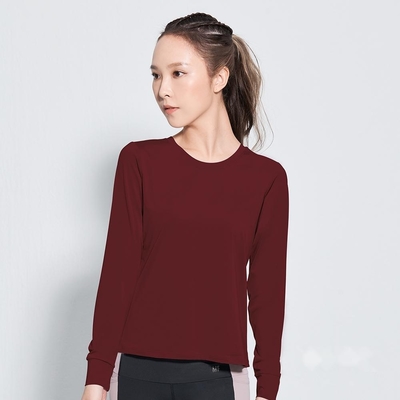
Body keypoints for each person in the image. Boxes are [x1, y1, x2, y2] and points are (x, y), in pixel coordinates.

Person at [80, 12, 289, 400]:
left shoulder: (266, 179)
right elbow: (117, 275)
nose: (163, 90)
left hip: (218, 378)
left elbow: (267, 293)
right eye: (156, 75)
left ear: (219, 78)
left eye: (177, 73)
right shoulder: (139, 162)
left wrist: (268, 389)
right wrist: (96, 380)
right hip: (138, 373)